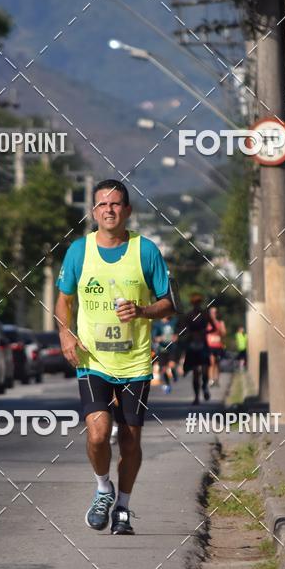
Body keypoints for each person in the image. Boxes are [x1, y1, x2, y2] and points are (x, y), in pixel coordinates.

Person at [55, 180, 174, 535]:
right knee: (98, 433)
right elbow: (64, 299)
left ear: (127, 210)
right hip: (92, 360)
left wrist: (142, 311)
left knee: (130, 440)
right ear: (94, 212)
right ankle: (103, 488)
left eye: (116, 203)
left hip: (135, 362)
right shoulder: (79, 251)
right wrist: (65, 333)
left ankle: (123, 506)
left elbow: (168, 304)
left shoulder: (145, 250)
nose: (109, 210)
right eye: (102, 204)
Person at [182, 294, 212, 405]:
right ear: (192, 304)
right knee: (195, 372)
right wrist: (190, 334)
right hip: (192, 345)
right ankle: (196, 397)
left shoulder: (205, 314)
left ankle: (205, 386)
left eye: (198, 302)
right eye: (195, 303)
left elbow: (213, 327)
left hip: (203, 344)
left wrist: (205, 332)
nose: (196, 305)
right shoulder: (188, 315)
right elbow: (183, 329)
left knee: (205, 371)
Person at [152, 315, 179, 393]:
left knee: (171, 365)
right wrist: (161, 338)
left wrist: (176, 337)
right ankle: (167, 384)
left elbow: (178, 333)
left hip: (172, 349)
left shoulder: (174, 321)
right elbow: (154, 338)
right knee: (163, 369)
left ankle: (174, 374)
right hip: (162, 350)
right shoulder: (157, 324)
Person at [206, 306, 226, 387]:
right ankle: (211, 380)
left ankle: (216, 379)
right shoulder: (207, 323)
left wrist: (220, 328)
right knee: (211, 362)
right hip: (210, 346)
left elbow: (224, 334)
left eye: (215, 313)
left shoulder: (220, 323)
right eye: (211, 313)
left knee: (217, 363)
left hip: (218, 346)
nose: (213, 314)